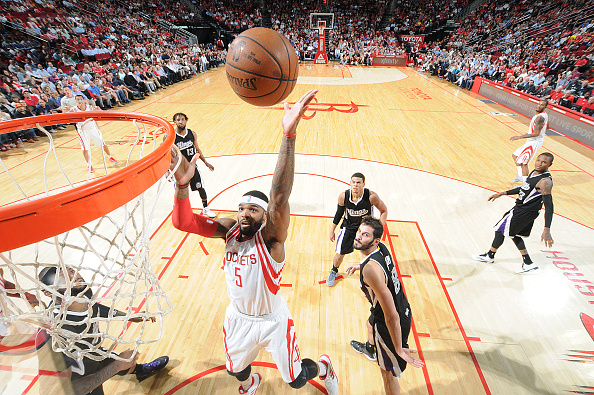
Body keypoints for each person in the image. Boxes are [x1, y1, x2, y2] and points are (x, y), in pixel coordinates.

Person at [171, 89, 338, 395]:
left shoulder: (272, 239)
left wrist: (288, 136)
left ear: (265, 216)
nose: (245, 214)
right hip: (238, 318)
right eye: (242, 208)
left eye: (253, 210)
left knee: (296, 380)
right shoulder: (228, 230)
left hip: (273, 320)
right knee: (236, 369)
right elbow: (183, 222)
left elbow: (279, 196)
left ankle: (324, 367)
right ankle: (251, 384)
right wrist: (182, 185)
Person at [38, 266, 169, 395]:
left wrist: (129, 317)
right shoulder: (56, 335)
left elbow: (96, 309)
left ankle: (140, 371)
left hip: (95, 352)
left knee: (127, 363)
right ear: (50, 293)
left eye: (71, 271)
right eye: (63, 277)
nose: (74, 276)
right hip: (81, 377)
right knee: (120, 364)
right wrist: (117, 366)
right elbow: (71, 389)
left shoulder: (82, 298)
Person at [345, 217, 424, 395]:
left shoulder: (370, 270)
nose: (358, 237)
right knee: (368, 323)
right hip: (404, 307)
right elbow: (382, 269)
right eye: (359, 232)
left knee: (388, 375)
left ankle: (382, 351)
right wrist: (360, 265)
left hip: (389, 322)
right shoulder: (382, 249)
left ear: (375, 240)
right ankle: (371, 349)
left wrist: (398, 349)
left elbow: (391, 316)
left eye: (365, 235)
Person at [473, 152, 555, 274]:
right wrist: (503, 193)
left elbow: (549, 206)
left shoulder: (545, 182)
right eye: (538, 160)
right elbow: (524, 188)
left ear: (550, 164)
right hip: (522, 209)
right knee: (513, 233)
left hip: (524, 212)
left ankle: (490, 256)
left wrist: (547, 229)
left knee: (500, 229)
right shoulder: (534, 172)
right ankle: (527, 262)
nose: (539, 163)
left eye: (544, 162)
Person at [326, 173, 388, 286]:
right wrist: (332, 230)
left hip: (365, 228)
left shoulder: (371, 197)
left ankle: (375, 274)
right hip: (348, 227)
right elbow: (338, 214)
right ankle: (334, 270)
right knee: (340, 253)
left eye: (358, 182)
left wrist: (379, 229)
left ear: (364, 184)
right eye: (353, 182)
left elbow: (384, 211)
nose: (355, 185)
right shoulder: (343, 197)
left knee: (371, 254)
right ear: (350, 183)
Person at [171, 112, 216, 218]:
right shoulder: (171, 137)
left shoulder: (192, 134)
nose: (180, 121)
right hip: (179, 169)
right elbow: (168, 154)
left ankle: (206, 208)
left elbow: (197, 149)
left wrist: (206, 162)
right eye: (178, 120)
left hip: (192, 166)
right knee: (181, 192)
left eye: (182, 119)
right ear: (174, 122)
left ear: (186, 121)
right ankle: (181, 212)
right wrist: (168, 170)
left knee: (201, 187)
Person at [69, 95, 117, 172]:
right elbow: (67, 119)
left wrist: (99, 109)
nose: (80, 101)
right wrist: (64, 111)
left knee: (103, 143)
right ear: (76, 101)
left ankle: (110, 157)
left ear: (83, 100)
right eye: (78, 100)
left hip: (93, 128)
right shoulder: (73, 109)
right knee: (85, 148)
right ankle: (89, 165)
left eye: (81, 99)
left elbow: (101, 113)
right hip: (83, 131)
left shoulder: (90, 107)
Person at [510, 99, 549, 183]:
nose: (539, 105)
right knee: (515, 155)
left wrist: (520, 136)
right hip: (531, 140)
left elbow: (536, 134)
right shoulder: (544, 115)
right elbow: (547, 127)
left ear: (545, 107)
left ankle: (525, 184)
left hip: (534, 142)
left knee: (524, 163)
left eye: (542, 105)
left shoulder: (540, 117)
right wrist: (532, 132)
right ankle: (521, 175)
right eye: (539, 104)